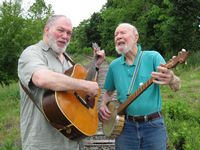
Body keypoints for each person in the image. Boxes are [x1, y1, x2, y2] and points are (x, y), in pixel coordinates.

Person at [18, 15, 105, 150]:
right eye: (60, 30)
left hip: (73, 141)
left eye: (69, 32)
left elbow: (82, 93)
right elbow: (42, 78)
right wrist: (85, 85)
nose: (65, 36)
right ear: (46, 30)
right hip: (43, 143)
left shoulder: (68, 59)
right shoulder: (32, 53)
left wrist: (96, 66)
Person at [99, 23, 180, 150]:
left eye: (123, 33)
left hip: (153, 126)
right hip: (125, 127)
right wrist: (103, 104)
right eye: (116, 34)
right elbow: (108, 92)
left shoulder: (153, 57)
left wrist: (172, 79)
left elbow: (176, 87)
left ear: (136, 37)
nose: (118, 36)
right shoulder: (114, 65)